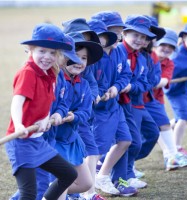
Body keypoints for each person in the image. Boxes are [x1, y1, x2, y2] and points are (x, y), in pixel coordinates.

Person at [5, 23, 78, 200]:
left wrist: (46, 118)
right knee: (28, 194)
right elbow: (17, 102)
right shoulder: (28, 72)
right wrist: (20, 125)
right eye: (42, 51)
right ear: (30, 49)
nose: (47, 57)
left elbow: (46, 103)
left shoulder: (51, 73)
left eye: (53, 53)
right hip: (21, 143)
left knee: (69, 174)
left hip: (38, 141)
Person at [88, 16, 137, 197]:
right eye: (113, 32)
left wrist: (116, 87)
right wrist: (101, 92)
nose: (117, 36)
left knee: (125, 141)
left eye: (118, 32)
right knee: (97, 150)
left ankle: (103, 175)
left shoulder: (117, 52)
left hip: (114, 107)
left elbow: (126, 73)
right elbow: (89, 82)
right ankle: (88, 186)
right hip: (98, 112)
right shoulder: (92, 57)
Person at [52, 32, 103, 200]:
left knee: (86, 184)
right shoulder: (56, 79)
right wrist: (57, 115)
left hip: (71, 139)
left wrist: (74, 117)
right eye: (73, 55)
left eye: (84, 58)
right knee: (63, 183)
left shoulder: (84, 84)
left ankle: (43, 195)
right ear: (61, 56)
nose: (79, 61)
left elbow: (86, 111)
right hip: (53, 140)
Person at [116, 15, 160, 189]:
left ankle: (123, 167)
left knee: (152, 134)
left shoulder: (142, 57)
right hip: (121, 104)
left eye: (144, 37)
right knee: (131, 141)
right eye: (136, 35)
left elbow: (146, 81)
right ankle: (124, 174)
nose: (140, 40)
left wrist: (132, 86)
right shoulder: (118, 51)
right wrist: (122, 86)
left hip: (137, 102)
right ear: (124, 33)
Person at [148, 28, 187, 170]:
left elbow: (163, 81)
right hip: (140, 100)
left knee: (163, 125)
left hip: (156, 98)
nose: (167, 48)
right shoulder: (147, 57)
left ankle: (171, 156)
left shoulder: (169, 63)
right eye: (164, 45)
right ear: (156, 44)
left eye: (171, 47)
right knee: (146, 132)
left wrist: (155, 82)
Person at [164, 20, 187, 160]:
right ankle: (176, 149)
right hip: (174, 89)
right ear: (184, 37)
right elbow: (167, 71)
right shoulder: (177, 55)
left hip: (185, 88)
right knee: (184, 117)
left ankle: (163, 130)